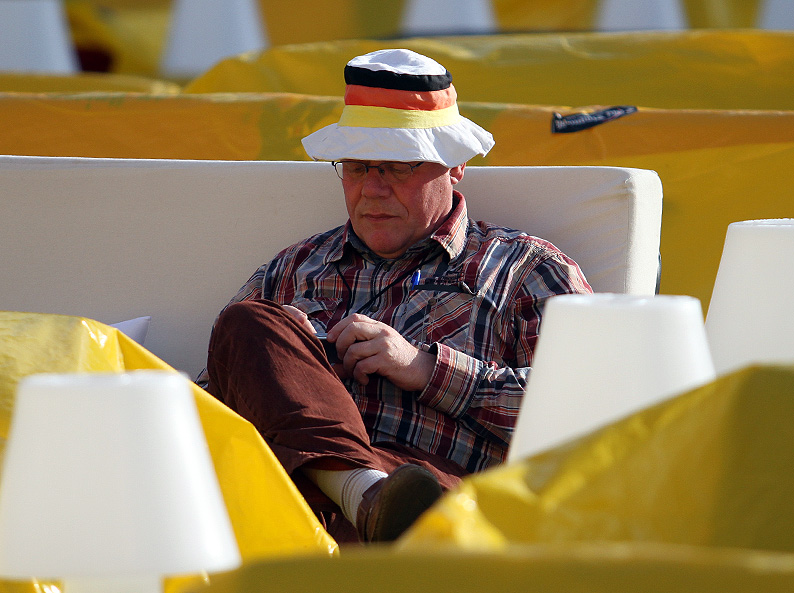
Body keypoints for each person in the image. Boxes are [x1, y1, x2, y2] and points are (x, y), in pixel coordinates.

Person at [200, 49, 592, 544]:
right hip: (288, 497)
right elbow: (207, 403)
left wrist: (426, 369)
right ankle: (362, 493)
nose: (373, 189)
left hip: (439, 502)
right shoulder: (295, 268)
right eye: (358, 167)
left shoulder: (527, 269)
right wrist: (288, 369)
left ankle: (368, 498)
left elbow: (591, 413)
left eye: (397, 167)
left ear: (455, 166)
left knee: (406, 493)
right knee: (249, 325)